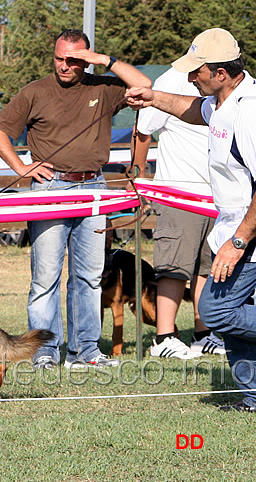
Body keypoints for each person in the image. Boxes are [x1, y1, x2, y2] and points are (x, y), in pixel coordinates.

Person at [0, 29, 151, 369]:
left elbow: (144, 86)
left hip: (94, 187)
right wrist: (21, 167)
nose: (64, 66)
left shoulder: (103, 86)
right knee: (45, 277)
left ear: (86, 59)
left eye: (73, 60)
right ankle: (45, 352)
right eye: (59, 58)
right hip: (50, 188)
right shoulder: (35, 91)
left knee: (89, 276)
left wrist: (105, 62)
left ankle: (85, 351)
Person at [127, 28, 256, 412]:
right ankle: (252, 398)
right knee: (230, 323)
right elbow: (191, 110)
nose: (190, 76)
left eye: (196, 71)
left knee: (218, 312)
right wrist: (152, 97)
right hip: (232, 229)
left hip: (247, 234)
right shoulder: (221, 101)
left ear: (220, 72)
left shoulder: (249, 112)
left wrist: (238, 242)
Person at [133, 67, 226, 360]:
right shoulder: (170, 80)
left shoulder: (231, 85)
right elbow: (143, 130)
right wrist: (137, 177)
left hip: (218, 195)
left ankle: (203, 334)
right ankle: (164, 337)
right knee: (173, 267)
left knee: (207, 268)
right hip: (180, 194)